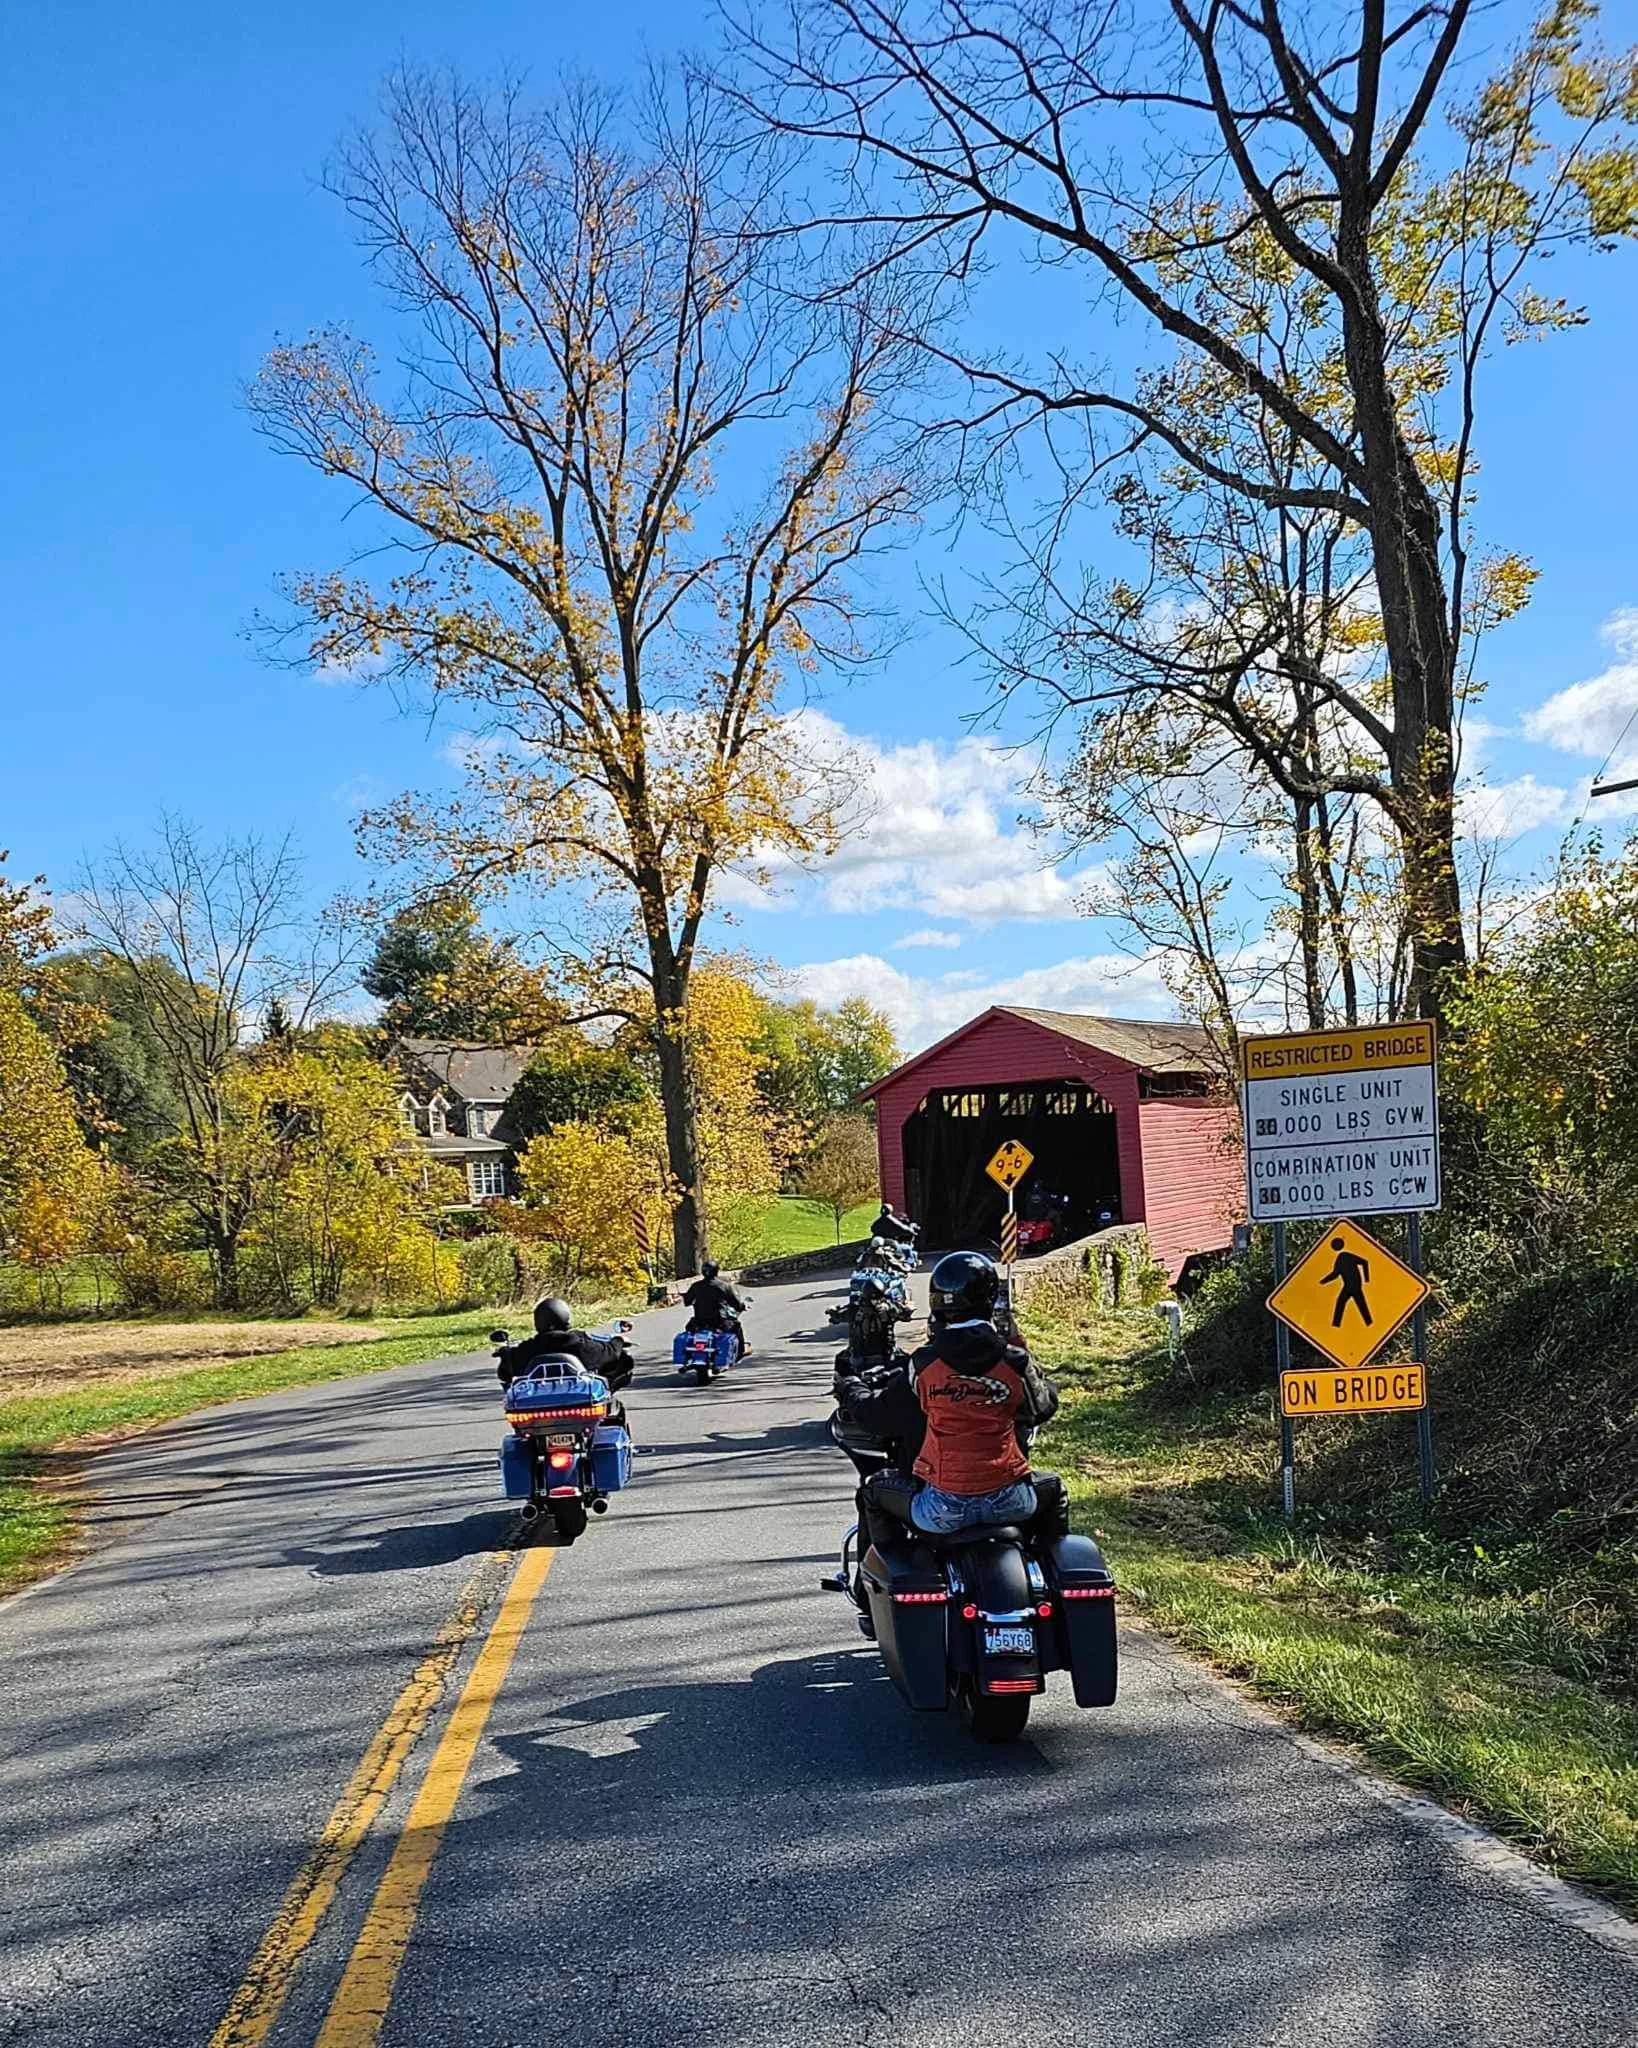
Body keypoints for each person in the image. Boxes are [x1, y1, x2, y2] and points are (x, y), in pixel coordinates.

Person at [835, 1249, 1067, 1550]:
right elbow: (1043, 1406)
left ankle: (887, 1584)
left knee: (873, 1491)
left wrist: (852, 1389)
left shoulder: (923, 1366)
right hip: (1010, 1502)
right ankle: (1045, 1566)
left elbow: (878, 1417)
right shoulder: (1013, 1362)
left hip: (941, 1508)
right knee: (1055, 1489)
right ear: (989, 1299)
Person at [498, 1296, 634, 1398]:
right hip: (582, 1402)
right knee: (622, 1363)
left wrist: (505, 1353)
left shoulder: (526, 1349)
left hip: (537, 1406)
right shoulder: (579, 1344)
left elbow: (505, 1373)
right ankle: (607, 1399)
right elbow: (609, 1355)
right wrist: (618, 1341)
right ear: (566, 1317)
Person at [682, 1260, 749, 1361]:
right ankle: (741, 1351)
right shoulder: (724, 1286)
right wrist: (742, 1306)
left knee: (688, 1329)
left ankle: (689, 1354)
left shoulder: (696, 1286)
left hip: (700, 1322)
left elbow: (687, 1302)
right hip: (720, 1322)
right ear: (717, 1271)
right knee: (737, 1326)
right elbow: (735, 1303)